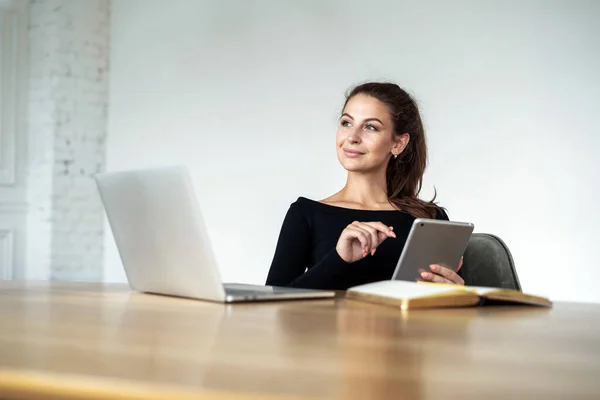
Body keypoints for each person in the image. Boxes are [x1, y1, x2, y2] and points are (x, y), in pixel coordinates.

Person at [265, 82, 464, 290]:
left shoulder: (429, 219)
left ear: (398, 144)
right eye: (346, 123)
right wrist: (339, 258)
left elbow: (459, 313)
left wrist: (459, 292)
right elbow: (273, 304)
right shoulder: (305, 214)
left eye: (370, 127)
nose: (352, 137)